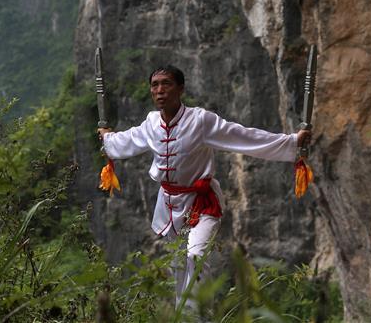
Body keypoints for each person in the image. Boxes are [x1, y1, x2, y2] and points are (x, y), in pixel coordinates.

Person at [97, 65, 311, 310]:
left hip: (202, 203)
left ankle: (200, 316)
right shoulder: (151, 123)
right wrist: (107, 140)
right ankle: (184, 316)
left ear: (181, 89)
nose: (159, 90)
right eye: (155, 85)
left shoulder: (200, 120)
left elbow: (242, 136)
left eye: (166, 84)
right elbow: (127, 141)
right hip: (168, 205)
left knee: (196, 256)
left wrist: (292, 142)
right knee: (177, 265)